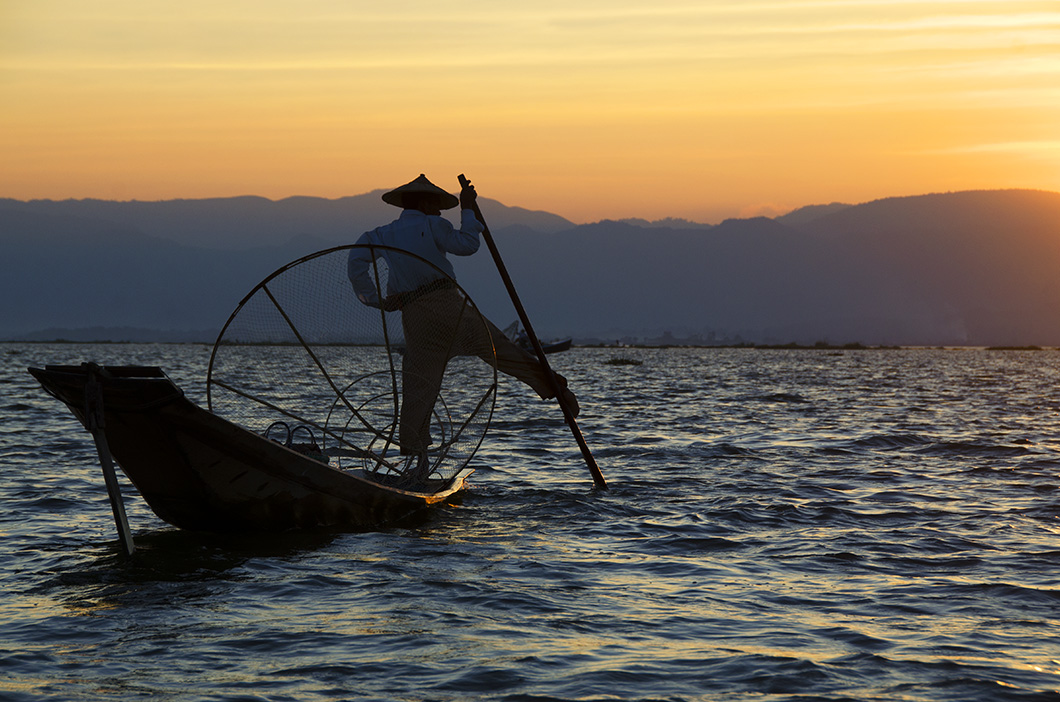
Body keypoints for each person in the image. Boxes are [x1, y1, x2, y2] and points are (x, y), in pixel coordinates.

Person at [347, 174, 579, 465]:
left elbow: (356, 263)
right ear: (424, 202)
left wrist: (376, 301)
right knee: (502, 351)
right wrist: (467, 209)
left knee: (419, 386)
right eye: (436, 204)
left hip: (415, 316)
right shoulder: (433, 224)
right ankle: (556, 389)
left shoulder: (380, 234)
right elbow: (467, 244)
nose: (440, 210)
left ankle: (416, 458)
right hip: (448, 308)